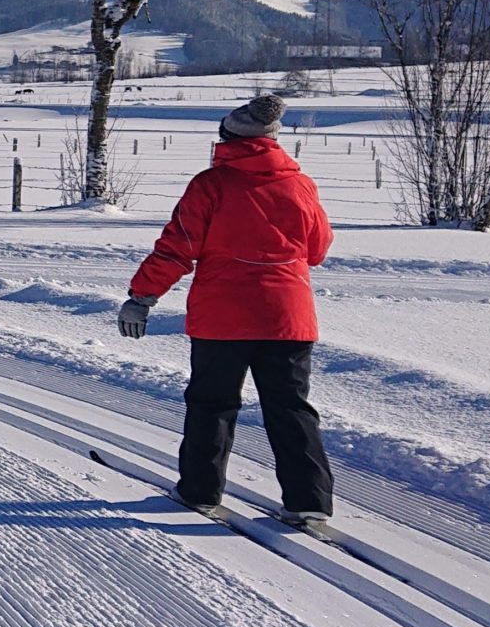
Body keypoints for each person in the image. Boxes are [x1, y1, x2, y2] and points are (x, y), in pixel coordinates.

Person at [118, 93, 338, 528]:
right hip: (288, 316)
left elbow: (176, 249)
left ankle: (199, 492)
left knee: (212, 405)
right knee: (291, 407)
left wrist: (142, 297)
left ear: (226, 137)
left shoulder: (210, 184)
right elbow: (317, 250)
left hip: (223, 318)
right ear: (274, 140)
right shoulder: (300, 184)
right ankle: (309, 500)